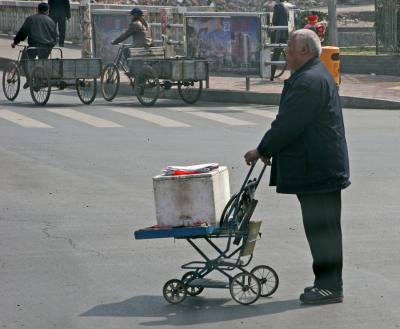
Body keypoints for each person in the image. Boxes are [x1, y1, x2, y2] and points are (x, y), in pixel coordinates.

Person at [244, 29, 350, 305]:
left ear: (304, 51)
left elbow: (289, 124)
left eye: (290, 48)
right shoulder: (314, 74)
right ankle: (328, 283)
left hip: (317, 168)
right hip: (319, 165)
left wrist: (262, 150)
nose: (286, 53)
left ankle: (329, 286)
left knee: (321, 228)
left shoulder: (308, 81)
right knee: (324, 227)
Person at [11, 2, 57, 89]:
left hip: (34, 47)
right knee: (42, 61)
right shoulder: (51, 21)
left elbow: (22, 33)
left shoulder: (30, 19)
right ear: (47, 11)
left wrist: (15, 42)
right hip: (47, 47)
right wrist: (51, 45)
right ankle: (40, 78)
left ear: (38, 9)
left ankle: (29, 79)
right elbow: (56, 36)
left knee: (25, 59)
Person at [270, 0, 289, 81]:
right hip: (285, 33)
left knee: (275, 56)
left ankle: (271, 75)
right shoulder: (286, 6)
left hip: (279, 34)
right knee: (282, 54)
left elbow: (275, 21)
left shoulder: (277, 6)